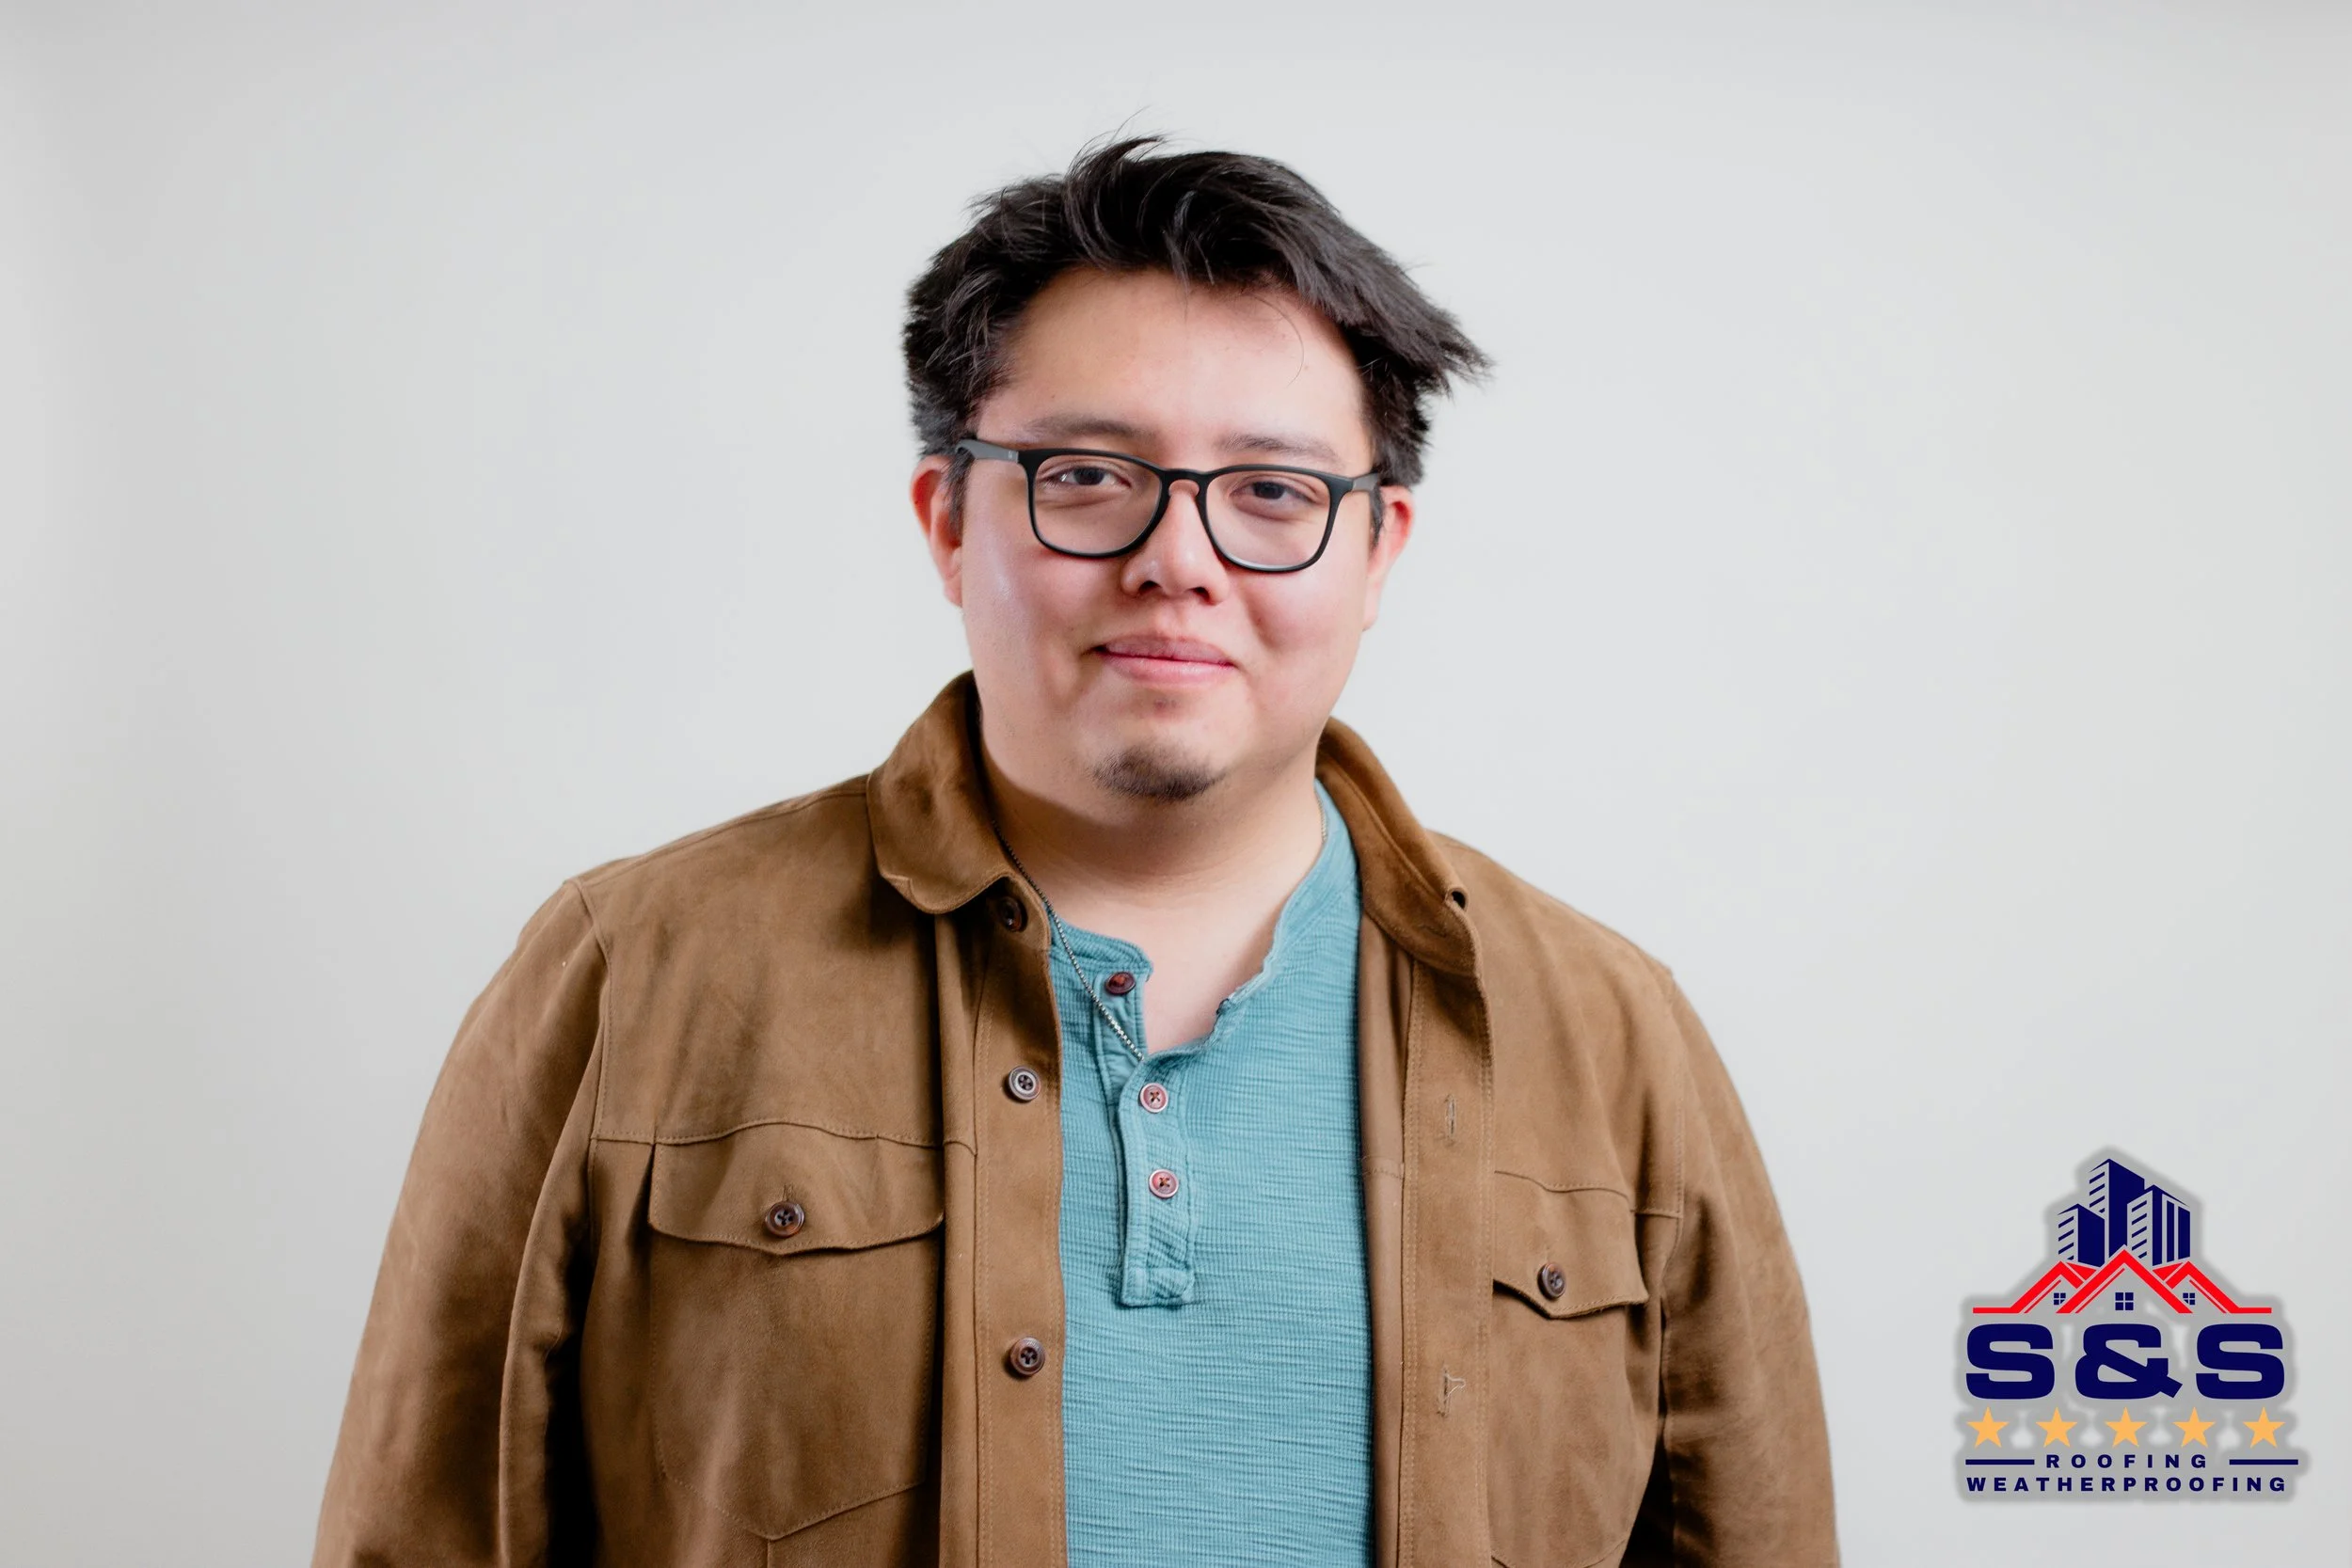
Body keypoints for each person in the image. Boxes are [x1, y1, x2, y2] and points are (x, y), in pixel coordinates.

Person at [314, 135, 1836, 1568]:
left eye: (1274, 493)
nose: (1179, 559)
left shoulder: (1610, 1032)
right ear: (945, 521)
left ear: (1380, 555)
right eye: (1088, 475)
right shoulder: (632, 975)